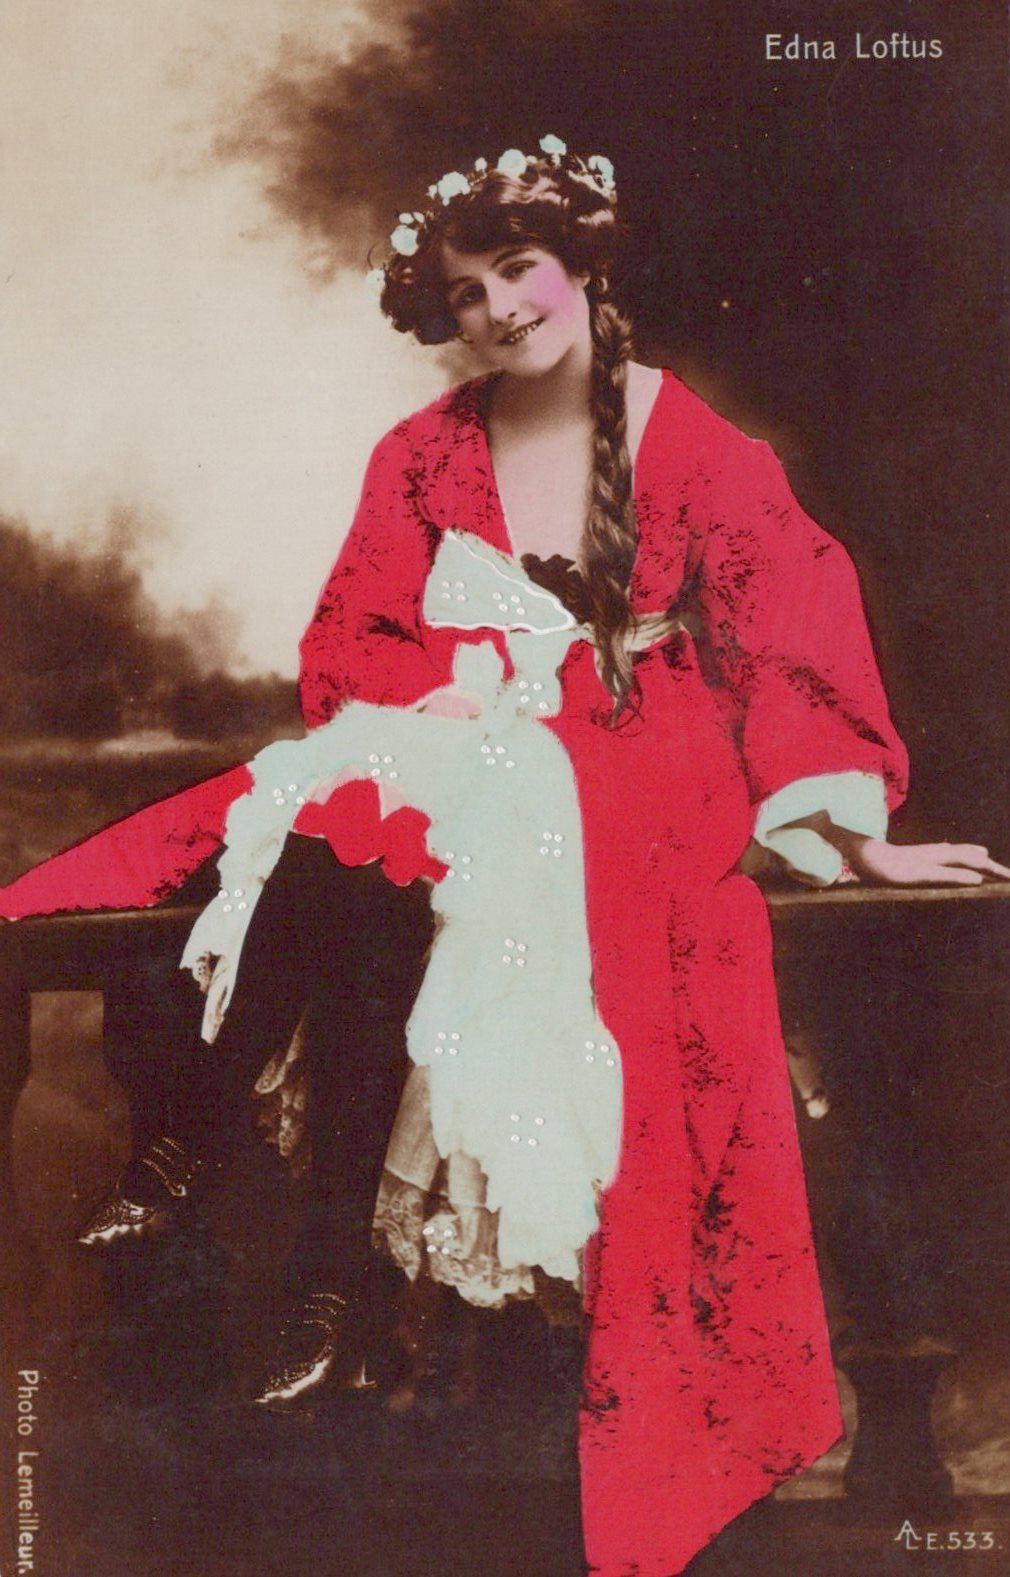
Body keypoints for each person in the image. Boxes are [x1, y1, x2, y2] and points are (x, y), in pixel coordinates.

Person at [2, 136, 1005, 1575]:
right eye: (464, 291)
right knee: (321, 802)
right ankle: (258, 1202)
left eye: (518, 269)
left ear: (584, 266)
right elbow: (353, 638)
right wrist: (448, 700)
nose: (497, 309)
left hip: (644, 755)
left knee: (454, 819)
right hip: (468, 737)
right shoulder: (419, 457)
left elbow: (783, 629)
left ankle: (342, 1263)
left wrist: (853, 828)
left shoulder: (699, 448)